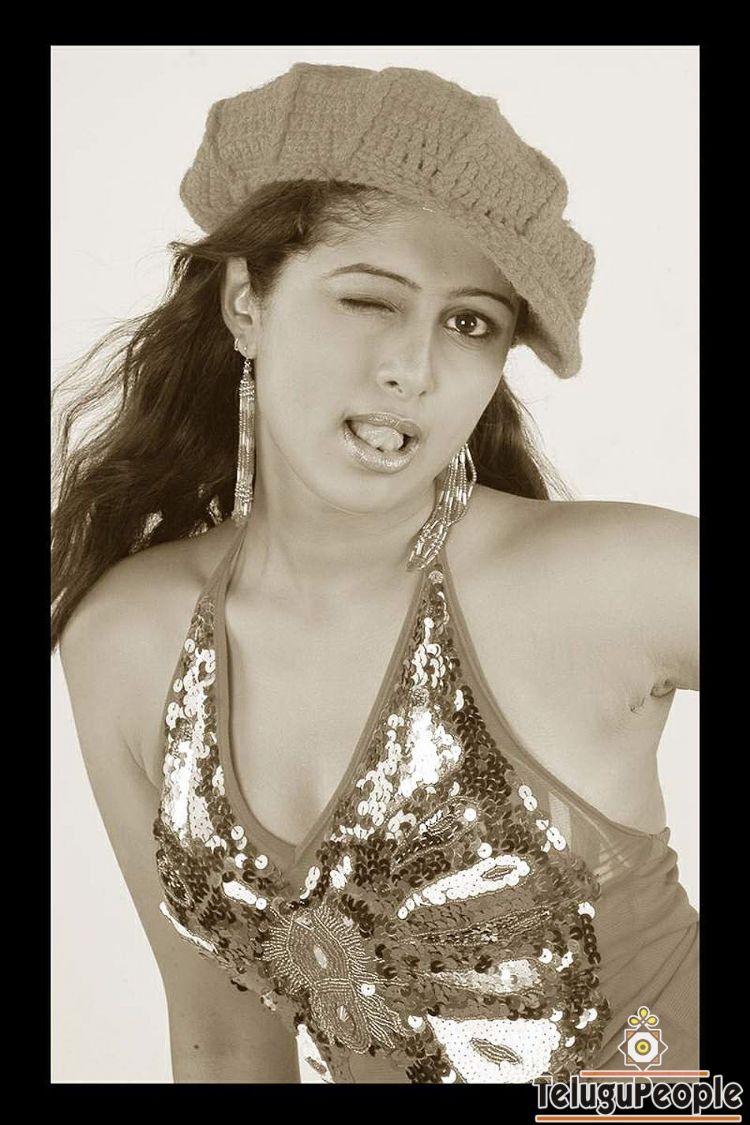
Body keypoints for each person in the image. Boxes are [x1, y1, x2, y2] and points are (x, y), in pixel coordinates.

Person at [52, 61, 699, 1085]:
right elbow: (225, 1044)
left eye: (469, 322)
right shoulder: (127, 642)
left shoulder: (605, 584)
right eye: (368, 300)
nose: (413, 368)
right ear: (246, 304)